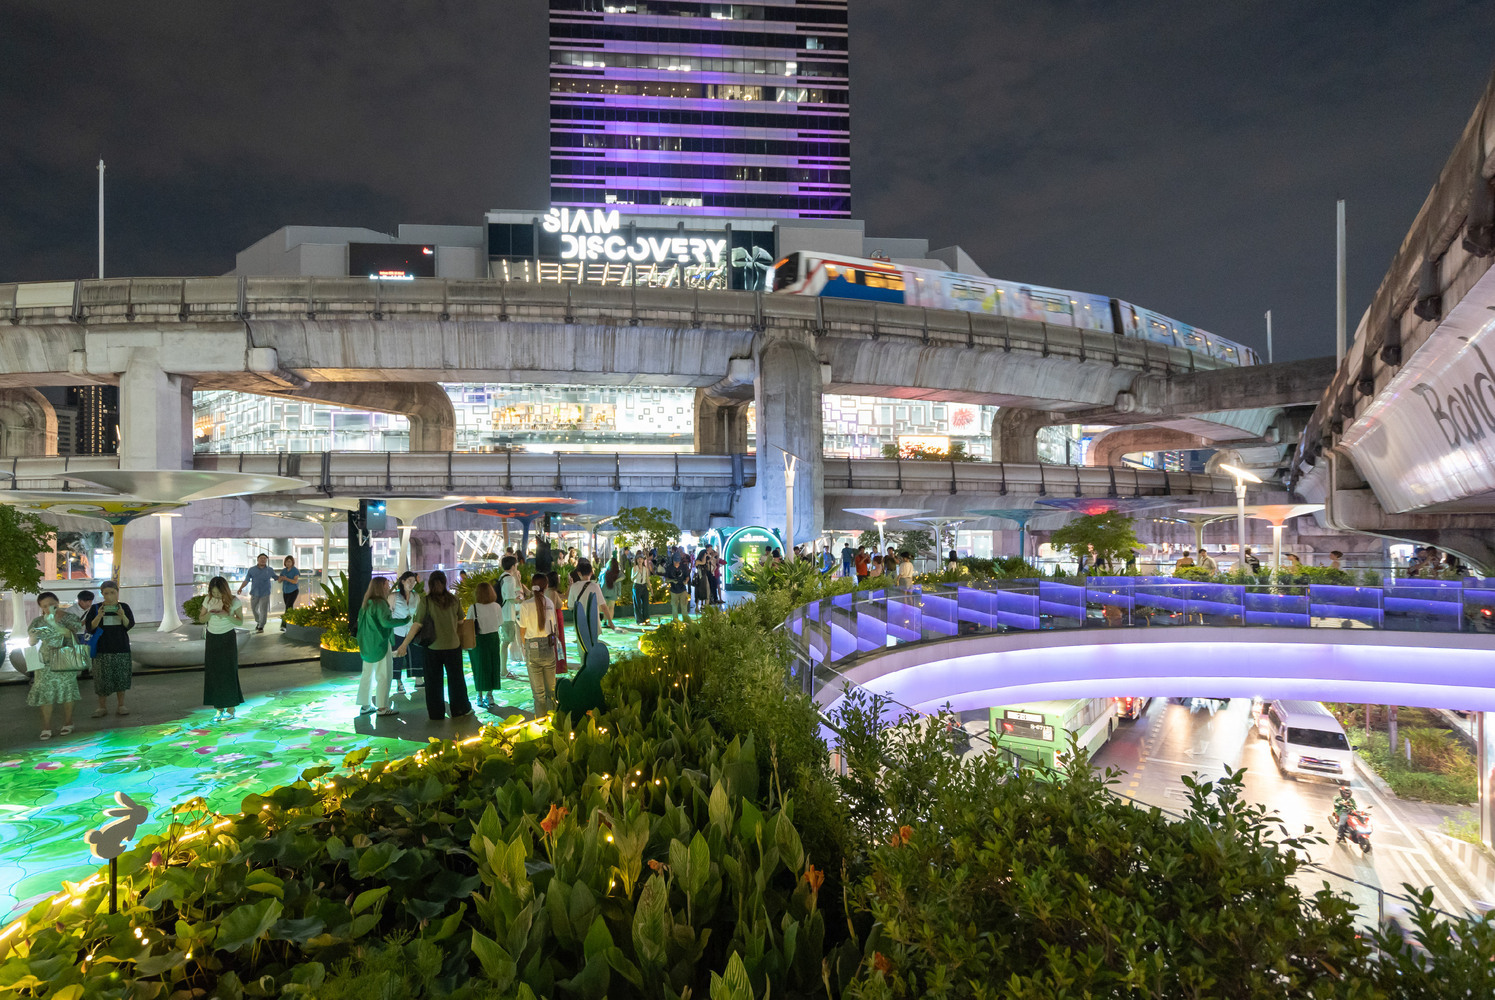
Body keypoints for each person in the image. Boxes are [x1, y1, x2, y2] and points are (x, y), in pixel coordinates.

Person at [395, 570, 472, 723]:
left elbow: (417, 624)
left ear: (430, 584)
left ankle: (436, 713)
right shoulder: (454, 600)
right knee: (456, 680)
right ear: (445, 582)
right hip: (453, 646)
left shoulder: (426, 601)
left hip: (432, 647)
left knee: (433, 682)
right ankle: (460, 709)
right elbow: (461, 621)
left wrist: (404, 644)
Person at [27, 591, 85, 739]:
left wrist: (53, 623)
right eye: (45, 606)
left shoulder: (69, 618)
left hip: (65, 656)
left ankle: (68, 722)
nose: (49, 608)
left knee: (67, 690)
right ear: (41, 607)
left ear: (57, 603)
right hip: (45, 660)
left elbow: (70, 634)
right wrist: (32, 638)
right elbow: (32, 641)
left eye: (52, 604)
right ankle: (46, 726)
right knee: (45, 692)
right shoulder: (38, 621)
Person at [198, 576, 245, 722]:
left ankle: (231, 708)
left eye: (219, 593)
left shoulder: (234, 601)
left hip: (227, 638)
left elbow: (240, 621)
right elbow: (201, 619)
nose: (216, 595)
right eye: (214, 593)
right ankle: (218, 708)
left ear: (225, 590)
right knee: (214, 672)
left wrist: (227, 615)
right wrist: (210, 613)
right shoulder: (208, 599)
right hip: (212, 638)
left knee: (228, 672)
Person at [84, 581, 133, 718]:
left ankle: (121, 705)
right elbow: (90, 627)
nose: (109, 596)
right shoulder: (96, 608)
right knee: (101, 679)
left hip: (121, 647)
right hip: (102, 648)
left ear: (117, 592)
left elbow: (129, 625)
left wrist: (122, 615)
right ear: (102, 594)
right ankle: (102, 707)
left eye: (112, 592)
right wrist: (99, 616)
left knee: (121, 677)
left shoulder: (124, 607)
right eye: (106, 593)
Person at [355, 577, 399, 717]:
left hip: (367, 644)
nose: (389, 587)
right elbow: (386, 623)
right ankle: (382, 707)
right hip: (380, 643)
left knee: (367, 674)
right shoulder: (380, 603)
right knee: (384, 675)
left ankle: (365, 705)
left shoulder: (366, 603)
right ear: (381, 586)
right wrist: (404, 620)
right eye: (387, 585)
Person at [518, 575, 559, 716]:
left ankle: (541, 722)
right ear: (546, 586)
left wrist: (526, 648)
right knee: (551, 691)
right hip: (548, 646)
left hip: (532, 646)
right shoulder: (549, 603)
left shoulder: (525, 605)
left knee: (538, 694)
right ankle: (554, 720)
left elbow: (522, 631)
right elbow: (554, 627)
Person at [467, 581, 504, 710]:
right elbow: (500, 622)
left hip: (479, 640)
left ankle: (479, 696)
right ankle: (490, 695)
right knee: (493, 665)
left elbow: (468, 624)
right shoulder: (497, 606)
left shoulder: (473, 607)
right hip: (493, 638)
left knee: (479, 668)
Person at [391, 572, 422, 696]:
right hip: (397, 631)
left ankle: (419, 679)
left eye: (414, 581)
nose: (412, 583)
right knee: (397, 657)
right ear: (402, 581)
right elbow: (389, 614)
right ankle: (398, 682)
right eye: (409, 580)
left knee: (416, 654)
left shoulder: (416, 596)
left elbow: (418, 614)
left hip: (411, 630)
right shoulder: (394, 596)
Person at [568, 558, 604, 657]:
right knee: (593, 647)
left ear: (578, 573)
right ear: (591, 573)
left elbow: (570, 606)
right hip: (594, 622)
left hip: (580, 622)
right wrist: (610, 622)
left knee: (582, 649)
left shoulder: (574, 587)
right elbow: (603, 605)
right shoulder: (595, 586)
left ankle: (584, 664)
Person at [497, 555, 524, 678]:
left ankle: (502, 669)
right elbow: (510, 598)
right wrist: (519, 600)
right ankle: (503, 670)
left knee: (504, 642)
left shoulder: (503, 577)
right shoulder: (509, 579)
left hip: (503, 613)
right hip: (507, 615)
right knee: (505, 642)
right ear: (513, 566)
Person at [237, 553, 277, 633]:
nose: (263, 560)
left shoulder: (270, 570)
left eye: (265, 558)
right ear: (258, 560)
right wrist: (240, 588)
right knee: (254, 609)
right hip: (255, 592)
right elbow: (246, 580)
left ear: (266, 560)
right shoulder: (252, 570)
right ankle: (259, 621)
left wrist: (284, 578)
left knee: (263, 610)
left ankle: (261, 626)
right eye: (261, 558)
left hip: (265, 593)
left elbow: (276, 577)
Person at [72, 590, 96, 680]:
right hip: (78, 634)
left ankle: (88, 670)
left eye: (90, 601)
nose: (88, 604)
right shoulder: (71, 611)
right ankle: (82, 670)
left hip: (90, 633)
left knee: (91, 651)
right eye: (86, 601)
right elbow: (72, 626)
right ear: (79, 601)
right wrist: (86, 621)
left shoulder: (92, 609)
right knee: (81, 652)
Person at [664, 548, 691, 621]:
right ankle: (675, 622)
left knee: (684, 606)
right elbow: (666, 579)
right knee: (674, 607)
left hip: (682, 589)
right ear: (673, 560)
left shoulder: (684, 567)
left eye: (678, 561)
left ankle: (685, 621)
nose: (677, 563)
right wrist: (672, 580)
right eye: (675, 561)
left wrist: (686, 581)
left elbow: (687, 576)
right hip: (673, 590)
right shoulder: (669, 568)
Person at [277, 556, 301, 631]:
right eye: (287, 561)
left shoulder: (295, 570)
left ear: (292, 562)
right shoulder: (283, 571)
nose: (288, 563)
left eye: (289, 561)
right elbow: (279, 581)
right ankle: (291, 622)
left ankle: (284, 625)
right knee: (289, 608)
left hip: (293, 591)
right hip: (285, 591)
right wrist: (281, 579)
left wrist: (286, 578)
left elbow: (295, 581)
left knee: (288, 607)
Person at [599, 556, 621, 630]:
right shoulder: (617, 574)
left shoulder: (603, 572)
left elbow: (599, 581)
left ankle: (604, 621)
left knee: (605, 608)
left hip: (604, 592)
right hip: (613, 593)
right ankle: (609, 622)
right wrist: (619, 594)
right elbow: (618, 584)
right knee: (611, 608)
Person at [632, 552, 652, 626]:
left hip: (644, 586)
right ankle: (639, 620)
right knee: (637, 604)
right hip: (637, 586)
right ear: (636, 560)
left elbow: (647, 579)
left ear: (643, 560)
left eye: (641, 559)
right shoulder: (634, 568)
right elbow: (632, 578)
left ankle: (646, 619)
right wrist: (637, 572)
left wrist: (651, 588)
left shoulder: (645, 569)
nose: (640, 560)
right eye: (638, 559)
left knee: (645, 603)